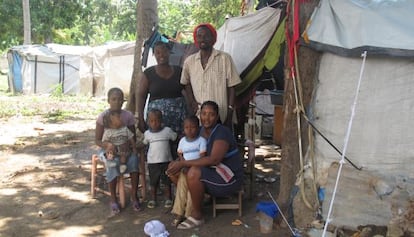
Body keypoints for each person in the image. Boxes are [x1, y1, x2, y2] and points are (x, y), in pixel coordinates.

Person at [166, 101, 243, 229]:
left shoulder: (222, 132)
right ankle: (184, 208)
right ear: (199, 114)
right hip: (212, 172)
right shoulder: (199, 131)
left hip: (228, 178)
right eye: (204, 113)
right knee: (173, 170)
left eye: (211, 114)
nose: (206, 118)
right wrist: (180, 162)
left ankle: (197, 216)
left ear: (217, 116)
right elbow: (187, 149)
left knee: (194, 172)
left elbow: (214, 160)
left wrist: (184, 163)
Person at [180, 23, 242, 128]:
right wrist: (192, 102)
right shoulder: (189, 62)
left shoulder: (224, 59)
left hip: (221, 114)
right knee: (201, 143)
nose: (202, 39)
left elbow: (232, 86)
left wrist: (230, 111)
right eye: (199, 36)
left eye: (206, 36)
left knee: (221, 143)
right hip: (200, 116)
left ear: (213, 38)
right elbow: (186, 83)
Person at [95, 87, 141, 215]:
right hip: (109, 149)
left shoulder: (128, 116)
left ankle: (134, 195)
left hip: (125, 148)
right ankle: (113, 199)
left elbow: (132, 136)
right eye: (114, 99)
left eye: (120, 99)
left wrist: (129, 146)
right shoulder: (103, 116)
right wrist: (108, 145)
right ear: (108, 100)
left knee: (133, 160)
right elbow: (98, 140)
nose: (117, 102)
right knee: (112, 163)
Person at [170, 115, 207, 227]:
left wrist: (189, 167)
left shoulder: (201, 141)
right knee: (181, 189)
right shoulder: (182, 141)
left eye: (193, 127)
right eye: (187, 127)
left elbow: (202, 158)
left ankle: (189, 214)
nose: (189, 130)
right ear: (183, 128)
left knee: (192, 191)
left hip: (196, 170)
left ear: (198, 128)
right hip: (185, 169)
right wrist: (183, 164)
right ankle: (179, 213)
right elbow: (180, 155)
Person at [143, 109, 177, 209]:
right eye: (152, 121)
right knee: (153, 182)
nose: (154, 123)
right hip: (152, 163)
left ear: (161, 120)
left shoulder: (167, 131)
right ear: (148, 122)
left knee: (167, 181)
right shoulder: (147, 134)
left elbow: (174, 137)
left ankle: (168, 199)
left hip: (166, 162)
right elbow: (144, 143)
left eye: (157, 120)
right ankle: (153, 199)